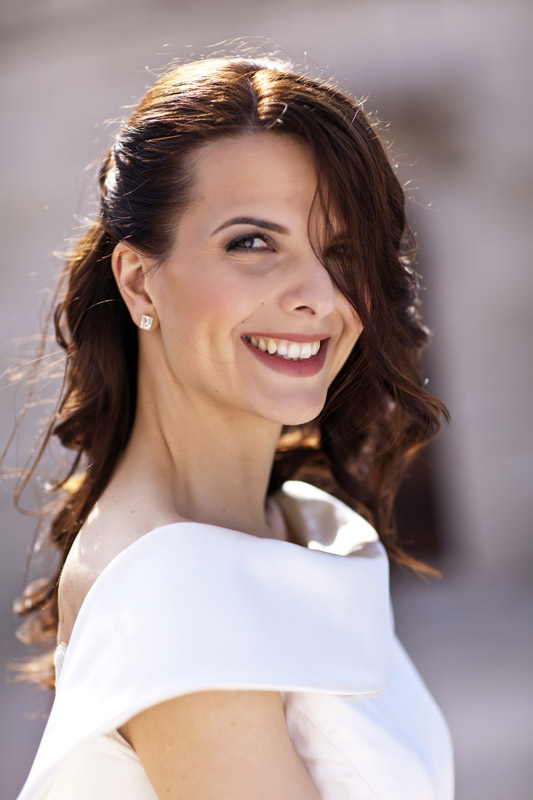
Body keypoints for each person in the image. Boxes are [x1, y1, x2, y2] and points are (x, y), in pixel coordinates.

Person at [13, 55, 454, 799]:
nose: (319, 295)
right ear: (138, 281)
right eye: (252, 242)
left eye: (341, 252)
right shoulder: (171, 591)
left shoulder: (295, 524)